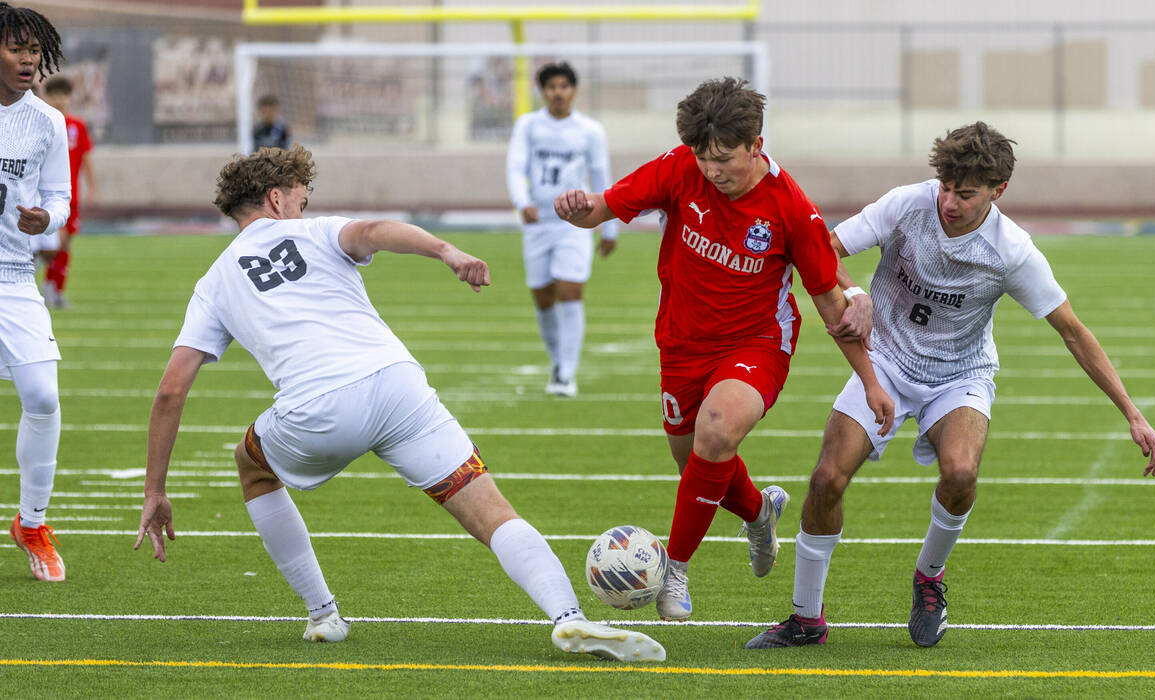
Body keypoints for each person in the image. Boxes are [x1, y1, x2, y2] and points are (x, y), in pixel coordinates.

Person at [133, 145, 665, 662]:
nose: (304, 208)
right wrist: (446, 251)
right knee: (491, 511)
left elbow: (170, 390)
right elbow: (371, 232)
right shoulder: (313, 232)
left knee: (252, 466)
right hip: (396, 386)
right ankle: (567, 614)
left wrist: (155, 488)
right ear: (276, 199)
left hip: (317, 412)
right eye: (300, 198)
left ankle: (324, 615)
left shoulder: (214, 282)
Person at [745, 121, 1155, 650]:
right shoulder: (907, 204)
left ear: (997, 191)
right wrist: (854, 295)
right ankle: (806, 619)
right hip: (886, 362)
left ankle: (929, 578)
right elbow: (822, 250)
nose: (949, 202)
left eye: (965, 194)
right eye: (945, 187)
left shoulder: (1012, 251)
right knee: (827, 477)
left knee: (961, 472)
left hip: (959, 374)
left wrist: (1132, 412)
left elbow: (1073, 332)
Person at [554, 77, 894, 621]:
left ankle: (675, 569)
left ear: (756, 145)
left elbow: (830, 299)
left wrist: (871, 381)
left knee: (716, 429)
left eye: (724, 159)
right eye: (704, 157)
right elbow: (605, 207)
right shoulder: (678, 168)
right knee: (694, 458)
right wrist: (579, 208)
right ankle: (760, 513)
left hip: (758, 343)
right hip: (681, 342)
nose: (712, 170)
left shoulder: (791, 208)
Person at [0, 2, 71, 582]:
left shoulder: (46, 121)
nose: (27, 59)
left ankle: (32, 521)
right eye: (15, 47)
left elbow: (62, 200)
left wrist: (43, 219)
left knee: (43, 396)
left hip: (12, 276)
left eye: (33, 50)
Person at [506, 61, 617, 397]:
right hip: (539, 222)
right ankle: (557, 362)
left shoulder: (590, 131)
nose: (558, 93)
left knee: (570, 290)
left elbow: (601, 177)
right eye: (551, 87)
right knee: (543, 297)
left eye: (564, 86)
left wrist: (609, 229)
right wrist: (522, 201)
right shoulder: (528, 126)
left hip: (574, 223)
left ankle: (566, 373)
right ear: (542, 92)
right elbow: (515, 166)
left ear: (573, 90)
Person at [35, 74, 94, 309]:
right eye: (55, 95)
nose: (60, 100)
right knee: (55, 242)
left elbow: (86, 158)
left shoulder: (77, 126)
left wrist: (93, 187)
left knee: (65, 244)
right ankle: (40, 280)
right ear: (47, 97)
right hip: (48, 195)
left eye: (64, 95)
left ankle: (54, 288)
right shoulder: (44, 123)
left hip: (73, 197)